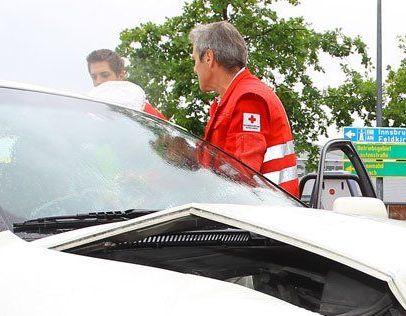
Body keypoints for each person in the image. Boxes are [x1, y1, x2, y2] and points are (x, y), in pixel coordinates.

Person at [189, 21, 299, 197]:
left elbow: (240, 173)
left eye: (195, 60)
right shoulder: (232, 98)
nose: (195, 69)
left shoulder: (247, 99)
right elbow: (218, 163)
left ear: (208, 57)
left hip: (263, 208)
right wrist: (187, 155)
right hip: (260, 206)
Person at [85, 48, 167, 120]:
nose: (98, 81)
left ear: (121, 76)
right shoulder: (87, 114)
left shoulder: (143, 111)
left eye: (105, 75)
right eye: (94, 77)